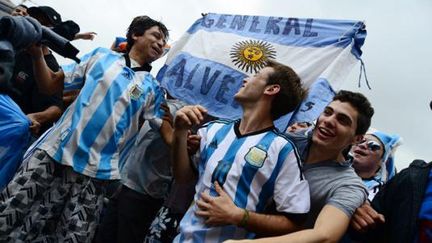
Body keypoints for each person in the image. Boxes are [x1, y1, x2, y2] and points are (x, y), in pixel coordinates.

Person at [0, 15, 169, 242]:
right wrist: (38, 54)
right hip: (54, 153)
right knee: (10, 214)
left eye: (163, 41)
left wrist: (185, 133)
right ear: (135, 35)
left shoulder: (154, 89)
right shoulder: (101, 56)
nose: (160, 44)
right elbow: (50, 85)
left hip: (97, 174)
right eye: (156, 36)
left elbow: (168, 131)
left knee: (73, 237)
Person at [172, 60, 310, 242]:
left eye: (256, 75)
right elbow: (183, 178)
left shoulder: (282, 149)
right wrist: (179, 133)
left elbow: (295, 223)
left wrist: (239, 216)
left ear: (271, 89)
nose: (246, 78)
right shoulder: (212, 130)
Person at [217, 90, 374, 243]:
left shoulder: (348, 186)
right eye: (327, 112)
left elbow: (325, 236)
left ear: (357, 139)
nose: (329, 121)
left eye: (342, 120)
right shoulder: (285, 142)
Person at [94, 97, 188, 243]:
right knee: (104, 236)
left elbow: (174, 144)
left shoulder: (183, 112)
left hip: (144, 190)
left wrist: (172, 127)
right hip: (125, 181)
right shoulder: (154, 95)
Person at [6, 6, 64, 138]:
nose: (37, 26)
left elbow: (55, 107)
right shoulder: (11, 45)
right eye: (34, 19)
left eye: (43, 24)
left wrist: (36, 117)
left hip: (11, 129)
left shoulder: (51, 67)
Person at [350, 159, 432, 243]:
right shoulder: (409, 180)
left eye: (374, 147)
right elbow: (368, 231)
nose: (364, 146)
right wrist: (353, 208)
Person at [350, 130, 401, 200]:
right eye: (360, 141)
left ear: (382, 162)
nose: (362, 145)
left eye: (373, 146)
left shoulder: (380, 196)